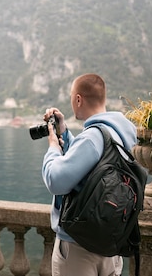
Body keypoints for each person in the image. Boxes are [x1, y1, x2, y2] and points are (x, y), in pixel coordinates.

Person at [41, 73, 137, 276]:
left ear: (78, 99)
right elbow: (95, 164)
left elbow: (55, 181)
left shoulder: (92, 137)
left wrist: (53, 148)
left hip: (79, 247)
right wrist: (64, 133)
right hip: (110, 243)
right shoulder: (123, 134)